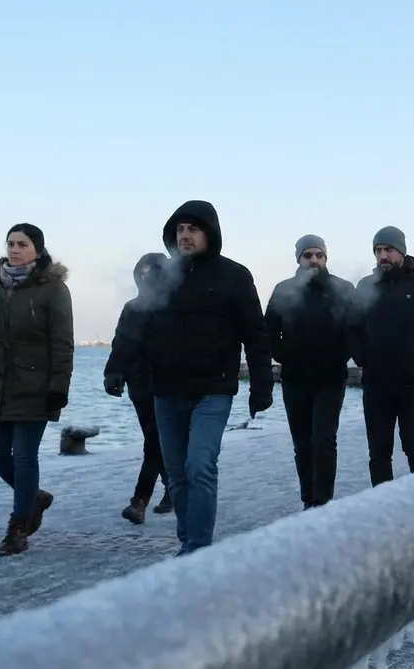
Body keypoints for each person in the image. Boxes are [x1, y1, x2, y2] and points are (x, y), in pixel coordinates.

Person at [106, 200, 274, 556]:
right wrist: (116, 367)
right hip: (166, 391)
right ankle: (187, 543)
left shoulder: (234, 276)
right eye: (180, 229)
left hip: (214, 389)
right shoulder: (163, 277)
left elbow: (255, 334)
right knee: (177, 474)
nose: (185, 235)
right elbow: (136, 324)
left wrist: (261, 386)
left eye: (192, 229)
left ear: (209, 233)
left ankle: (198, 548)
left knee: (199, 465)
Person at [0, 223, 74, 557]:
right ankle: (34, 496)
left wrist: (58, 388)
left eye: (22, 244)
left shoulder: (53, 289)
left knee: (24, 457)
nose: (15, 249)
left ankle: (18, 527)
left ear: (38, 249)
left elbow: (62, 343)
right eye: (10, 244)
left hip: (34, 386)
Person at [350, 226, 414, 486]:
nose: (383, 256)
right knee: (379, 453)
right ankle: (382, 509)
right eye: (378, 251)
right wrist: (362, 357)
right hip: (376, 384)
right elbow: (352, 326)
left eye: (388, 250)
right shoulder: (365, 286)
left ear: (402, 252)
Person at [264, 234, 357, 509]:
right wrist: (284, 355)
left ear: (326, 257)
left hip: (330, 377)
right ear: (299, 259)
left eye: (319, 255)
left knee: (324, 440)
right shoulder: (283, 290)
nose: (314, 260)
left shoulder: (342, 288)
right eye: (308, 255)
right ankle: (309, 498)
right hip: (295, 378)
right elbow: (269, 330)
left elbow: (354, 327)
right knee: (302, 443)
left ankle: (324, 500)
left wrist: (341, 355)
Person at [103, 252, 173, 525]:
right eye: (144, 274)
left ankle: (140, 500)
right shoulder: (133, 307)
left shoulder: (175, 307)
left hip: (169, 386)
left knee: (156, 444)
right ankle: (170, 491)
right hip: (141, 386)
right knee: (156, 443)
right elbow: (122, 342)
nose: (149, 279)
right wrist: (113, 372)